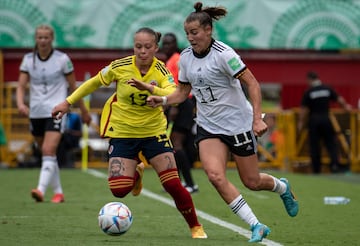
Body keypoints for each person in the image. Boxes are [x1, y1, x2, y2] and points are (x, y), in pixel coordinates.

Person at [147, 2, 299, 243]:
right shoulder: (185, 58)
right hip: (209, 127)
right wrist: (163, 100)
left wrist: (256, 119)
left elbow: (253, 84)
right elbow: (182, 92)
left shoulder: (224, 54)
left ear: (208, 30)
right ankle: (256, 225)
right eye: (187, 33)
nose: (190, 38)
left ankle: (282, 188)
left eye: (194, 32)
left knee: (252, 181)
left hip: (238, 125)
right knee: (215, 176)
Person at [52, 27, 207, 239]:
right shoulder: (120, 66)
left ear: (155, 48)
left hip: (154, 132)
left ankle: (195, 227)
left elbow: (174, 93)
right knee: (119, 190)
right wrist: (67, 102)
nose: (142, 51)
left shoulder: (161, 71)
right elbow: (94, 82)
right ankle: (137, 173)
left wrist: (150, 89)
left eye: (147, 47)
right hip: (123, 132)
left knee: (172, 183)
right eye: (138, 46)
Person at [16, 24, 91, 203]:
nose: (43, 41)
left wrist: (84, 111)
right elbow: (20, 85)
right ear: (36, 39)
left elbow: (74, 88)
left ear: (52, 39)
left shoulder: (62, 59)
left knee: (48, 150)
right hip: (36, 112)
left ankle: (40, 190)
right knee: (47, 154)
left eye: (46, 37)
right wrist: (20, 103)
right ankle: (58, 193)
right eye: (39, 37)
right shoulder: (28, 59)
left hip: (56, 110)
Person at [162, 33, 199, 193]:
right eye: (164, 43)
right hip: (177, 103)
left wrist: (175, 106)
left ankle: (190, 183)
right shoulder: (170, 60)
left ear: (175, 44)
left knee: (176, 144)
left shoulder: (176, 59)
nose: (166, 46)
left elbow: (180, 85)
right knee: (174, 144)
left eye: (169, 43)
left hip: (181, 103)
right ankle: (180, 182)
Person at [298, 71, 352, 174]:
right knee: (331, 143)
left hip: (314, 121)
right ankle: (335, 165)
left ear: (309, 79)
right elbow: (339, 99)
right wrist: (346, 107)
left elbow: (304, 110)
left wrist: (300, 124)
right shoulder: (327, 88)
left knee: (315, 146)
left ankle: (316, 169)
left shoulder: (309, 92)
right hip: (326, 119)